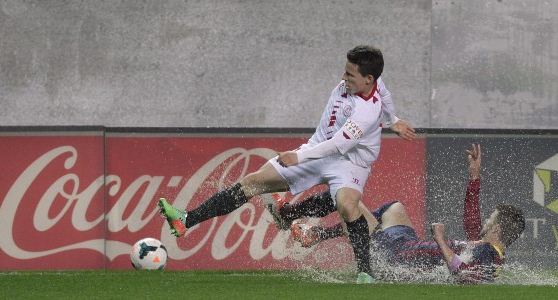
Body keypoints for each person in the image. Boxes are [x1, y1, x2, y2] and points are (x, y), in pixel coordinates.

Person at [157, 45, 416, 281]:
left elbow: (339, 144)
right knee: (253, 182)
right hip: (317, 149)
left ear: (367, 79)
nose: (343, 78)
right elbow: (385, 92)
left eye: (350, 75)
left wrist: (298, 157)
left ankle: (365, 274)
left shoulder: (367, 113)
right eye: (345, 71)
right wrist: (393, 120)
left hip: (349, 162)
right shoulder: (374, 83)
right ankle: (185, 219)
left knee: (348, 206)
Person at [272, 144, 526, 284]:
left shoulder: (486, 252)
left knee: (344, 195)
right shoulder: (488, 250)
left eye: (491, 220)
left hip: (396, 256)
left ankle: (294, 219)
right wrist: (473, 178)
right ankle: (316, 234)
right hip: (407, 246)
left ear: (498, 229)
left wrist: (439, 238)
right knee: (395, 207)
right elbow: (471, 221)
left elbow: (462, 272)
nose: (486, 222)